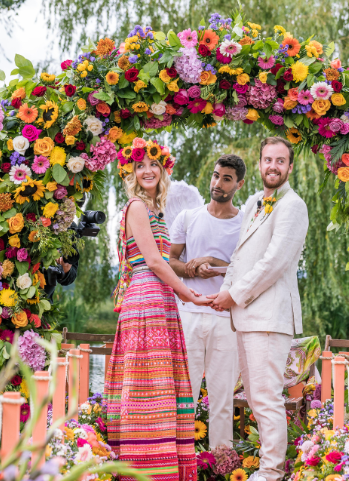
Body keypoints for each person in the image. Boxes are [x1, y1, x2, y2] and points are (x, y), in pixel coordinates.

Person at [208, 137, 309, 481]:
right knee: (254, 395)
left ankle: (271, 472)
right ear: (261, 162)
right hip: (246, 317)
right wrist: (225, 291)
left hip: (268, 316)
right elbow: (239, 257)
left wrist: (235, 295)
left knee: (266, 397)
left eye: (280, 161)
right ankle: (269, 469)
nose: (273, 166)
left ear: (290, 167)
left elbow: (274, 262)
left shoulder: (292, 205)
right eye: (268, 159)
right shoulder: (254, 202)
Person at [105, 138, 206, 481]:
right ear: (131, 173)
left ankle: (160, 465)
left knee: (160, 386)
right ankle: (142, 468)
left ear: (162, 170)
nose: (148, 170)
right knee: (148, 384)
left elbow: (166, 262)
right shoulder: (136, 205)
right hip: (148, 298)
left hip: (158, 298)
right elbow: (153, 261)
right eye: (140, 166)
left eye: (153, 164)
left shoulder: (154, 209)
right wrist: (187, 294)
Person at [168, 154, 246, 449]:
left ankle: (220, 464)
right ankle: (179, 461)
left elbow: (249, 272)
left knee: (222, 399)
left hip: (225, 318)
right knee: (183, 396)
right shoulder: (188, 217)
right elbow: (170, 261)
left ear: (238, 184)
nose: (218, 183)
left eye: (226, 179)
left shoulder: (245, 224)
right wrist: (190, 268)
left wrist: (214, 262)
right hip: (188, 313)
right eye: (216, 176)